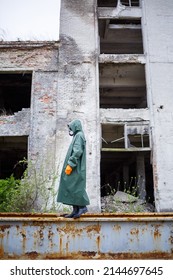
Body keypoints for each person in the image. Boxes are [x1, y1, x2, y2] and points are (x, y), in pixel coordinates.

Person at [57, 119, 90, 218]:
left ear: (76, 126)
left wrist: (70, 164)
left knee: (76, 188)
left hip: (76, 167)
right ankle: (75, 210)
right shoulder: (77, 135)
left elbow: (77, 151)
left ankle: (82, 207)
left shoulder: (79, 135)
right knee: (71, 187)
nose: (70, 129)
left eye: (71, 127)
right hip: (75, 167)